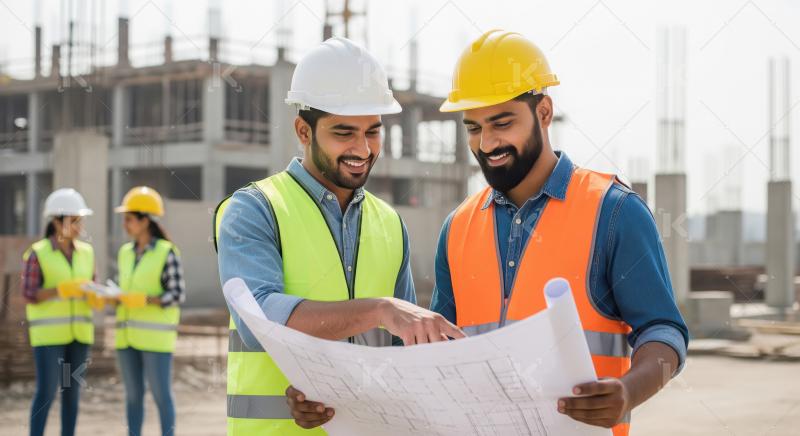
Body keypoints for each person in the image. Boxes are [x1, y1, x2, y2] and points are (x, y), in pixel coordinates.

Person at [287, 30, 690, 436]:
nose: (487, 143)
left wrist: (627, 391)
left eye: (502, 122)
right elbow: (430, 358)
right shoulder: (459, 226)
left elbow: (663, 330)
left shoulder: (614, 211)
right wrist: (335, 397)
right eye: (474, 128)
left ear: (544, 112)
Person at [215, 36, 462, 435]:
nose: (362, 149)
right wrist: (380, 310)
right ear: (303, 130)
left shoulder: (390, 224)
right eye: (343, 132)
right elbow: (258, 318)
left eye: (373, 132)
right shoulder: (255, 209)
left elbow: (403, 358)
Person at [22, 188, 98, 436]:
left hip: (79, 335)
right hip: (49, 338)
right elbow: (29, 293)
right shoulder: (38, 253)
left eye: (80, 220)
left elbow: (92, 286)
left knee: (72, 393)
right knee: (46, 392)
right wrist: (60, 290)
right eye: (73, 220)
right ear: (56, 222)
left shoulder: (87, 252)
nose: (78, 226)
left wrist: (96, 296)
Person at [114, 186, 186, 436]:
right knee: (133, 396)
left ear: (145, 221)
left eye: (129, 219)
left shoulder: (167, 252)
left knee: (161, 396)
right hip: (126, 337)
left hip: (156, 339)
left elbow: (177, 295)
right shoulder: (125, 253)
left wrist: (145, 300)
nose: (125, 224)